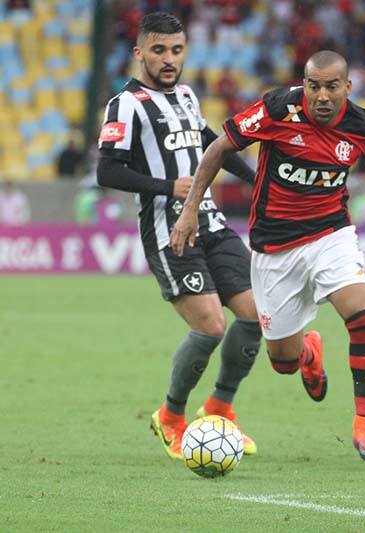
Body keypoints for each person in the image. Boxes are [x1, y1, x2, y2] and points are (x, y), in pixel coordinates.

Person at [170, 50, 365, 462]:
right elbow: (219, 148)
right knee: (283, 362)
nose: (322, 96)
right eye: (314, 86)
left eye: (331, 86)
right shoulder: (277, 109)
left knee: (363, 313)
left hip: (331, 235)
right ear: (304, 85)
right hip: (274, 249)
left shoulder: (363, 127)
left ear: (347, 87)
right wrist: (189, 210)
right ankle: (308, 351)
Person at [96, 12, 263, 460]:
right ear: (139, 53)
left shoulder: (187, 96)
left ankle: (221, 409)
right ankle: (170, 416)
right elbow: (106, 170)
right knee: (211, 325)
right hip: (168, 231)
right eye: (158, 50)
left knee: (256, 314)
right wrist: (168, 187)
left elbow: (215, 147)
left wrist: (256, 181)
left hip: (210, 221)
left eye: (176, 50)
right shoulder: (125, 105)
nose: (169, 59)